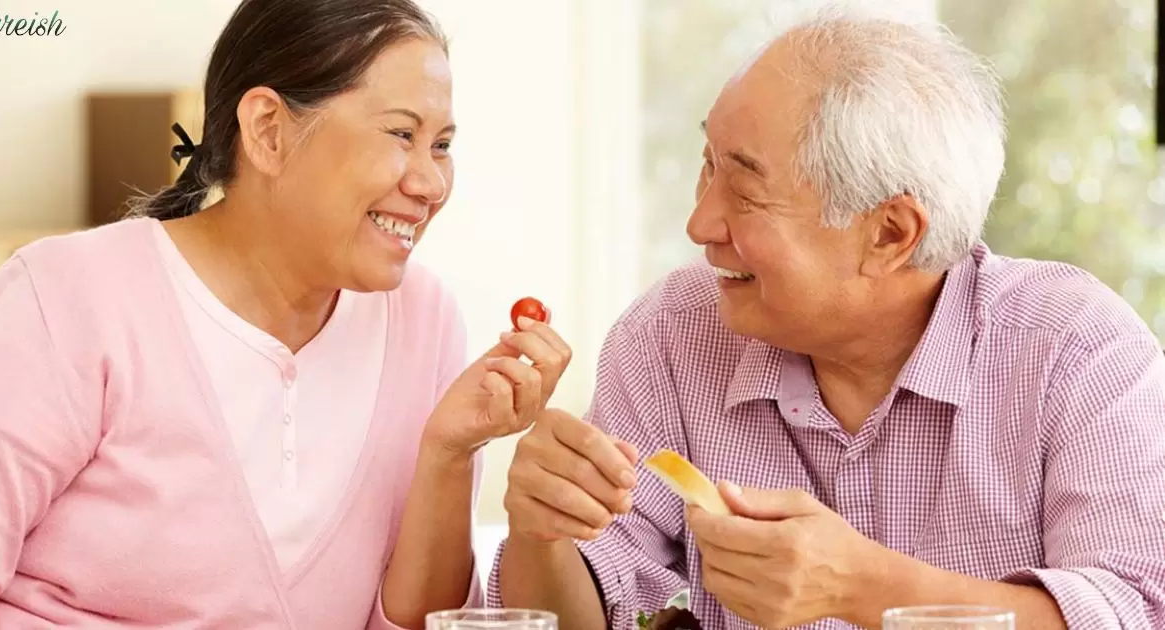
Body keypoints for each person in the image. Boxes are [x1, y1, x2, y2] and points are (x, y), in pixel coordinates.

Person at [489, 6, 1165, 630]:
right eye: (707, 166)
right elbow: (577, 613)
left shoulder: (1074, 350)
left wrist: (864, 587)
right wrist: (539, 531)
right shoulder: (671, 335)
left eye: (746, 191)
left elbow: (1133, 612)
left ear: (890, 234)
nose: (700, 223)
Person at [0, 1, 574, 628]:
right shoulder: (70, 294)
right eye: (402, 134)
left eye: (442, 145)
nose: (431, 184)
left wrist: (450, 453)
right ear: (268, 130)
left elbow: (418, 625)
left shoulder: (424, 318)